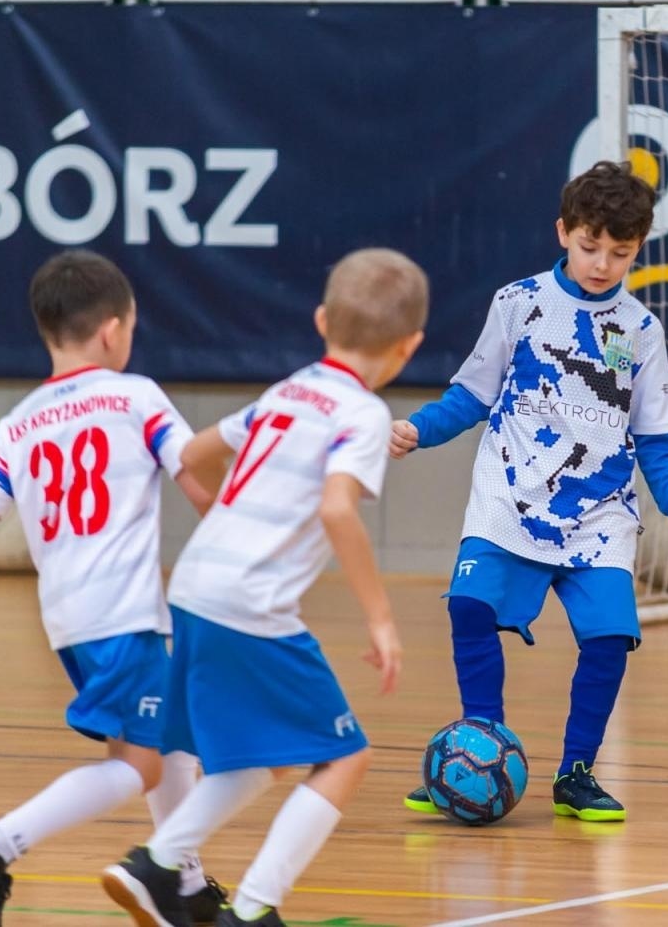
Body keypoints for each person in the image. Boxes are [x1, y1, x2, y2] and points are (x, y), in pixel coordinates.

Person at [100, 248, 427, 927]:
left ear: (320, 320)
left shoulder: (288, 390)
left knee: (266, 757)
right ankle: (250, 910)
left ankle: (157, 864)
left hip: (193, 584)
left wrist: (240, 522)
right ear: (408, 347)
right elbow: (338, 509)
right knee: (345, 756)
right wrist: (381, 618)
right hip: (250, 604)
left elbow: (189, 454)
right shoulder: (363, 414)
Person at [395, 160, 668, 823]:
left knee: (608, 637)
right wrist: (418, 430)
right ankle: (477, 745)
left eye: (619, 253)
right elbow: (472, 395)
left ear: (638, 249)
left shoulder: (642, 332)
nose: (601, 264)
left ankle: (577, 773)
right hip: (510, 497)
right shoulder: (518, 304)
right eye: (589, 245)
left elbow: (654, 438)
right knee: (470, 607)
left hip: (600, 513)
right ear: (563, 232)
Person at [0, 249, 223, 927]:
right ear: (114, 330)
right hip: (123, 615)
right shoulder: (137, 397)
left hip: (67, 621)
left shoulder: (18, 422)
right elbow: (198, 480)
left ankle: (183, 883)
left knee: (169, 736)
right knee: (141, 765)